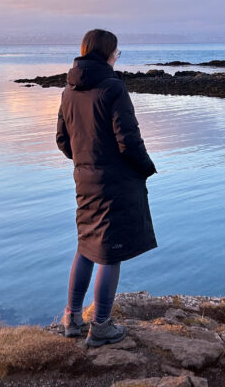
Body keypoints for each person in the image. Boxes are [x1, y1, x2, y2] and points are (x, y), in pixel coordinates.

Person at [56, 28, 157, 347]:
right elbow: (128, 141)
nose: (117, 57)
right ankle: (100, 326)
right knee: (110, 253)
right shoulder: (113, 88)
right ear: (107, 54)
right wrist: (147, 168)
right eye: (117, 52)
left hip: (84, 180)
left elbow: (63, 140)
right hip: (114, 184)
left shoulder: (68, 91)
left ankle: (71, 317)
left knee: (86, 243)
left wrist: (86, 161)